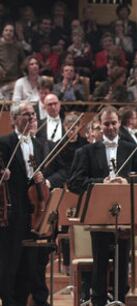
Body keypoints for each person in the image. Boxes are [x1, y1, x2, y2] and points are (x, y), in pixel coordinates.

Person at [68, 106, 137, 306]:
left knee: (122, 263)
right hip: (99, 216)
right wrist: (102, 183)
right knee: (100, 263)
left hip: (124, 215)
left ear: (119, 123)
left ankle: (121, 300)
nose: (110, 127)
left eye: (114, 123)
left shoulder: (131, 149)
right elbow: (76, 182)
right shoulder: (87, 151)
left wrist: (126, 182)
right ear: (99, 126)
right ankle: (99, 301)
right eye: (106, 124)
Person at [0, 102, 47, 306]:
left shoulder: (40, 145)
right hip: (14, 210)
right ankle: (8, 300)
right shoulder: (4, 143)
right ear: (14, 119)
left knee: (30, 262)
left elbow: (57, 169)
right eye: (26, 114)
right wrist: (3, 174)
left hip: (36, 211)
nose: (31, 118)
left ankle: (22, 300)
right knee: (11, 260)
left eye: (33, 114)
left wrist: (46, 180)